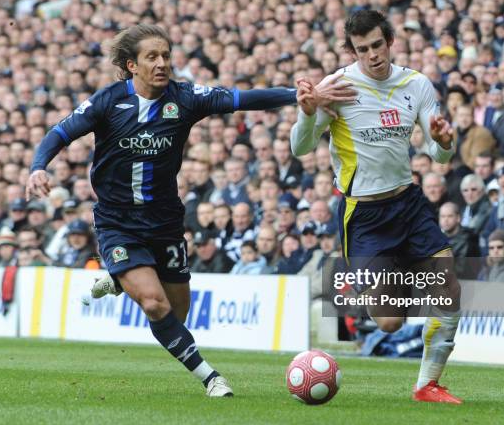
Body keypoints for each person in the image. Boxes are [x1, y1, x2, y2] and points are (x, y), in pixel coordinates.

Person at [26, 24, 354, 397]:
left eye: (166, 55)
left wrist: (297, 96)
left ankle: (121, 278)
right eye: (152, 57)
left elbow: (244, 98)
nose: (162, 63)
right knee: (153, 304)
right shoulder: (108, 102)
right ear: (132, 65)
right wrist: (39, 166)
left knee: (176, 313)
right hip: (117, 222)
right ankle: (211, 377)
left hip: (165, 221)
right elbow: (58, 134)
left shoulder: (185, 98)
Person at [291, 9, 462, 404]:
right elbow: (300, 148)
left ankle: (427, 385)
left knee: (449, 288)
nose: (372, 55)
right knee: (388, 321)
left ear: (390, 42)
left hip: (408, 203)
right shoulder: (336, 85)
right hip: (363, 215)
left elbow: (437, 155)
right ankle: (372, 283)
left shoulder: (416, 84)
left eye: (377, 45)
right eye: (362, 49)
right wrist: (309, 111)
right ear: (353, 50)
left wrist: (444, 139)